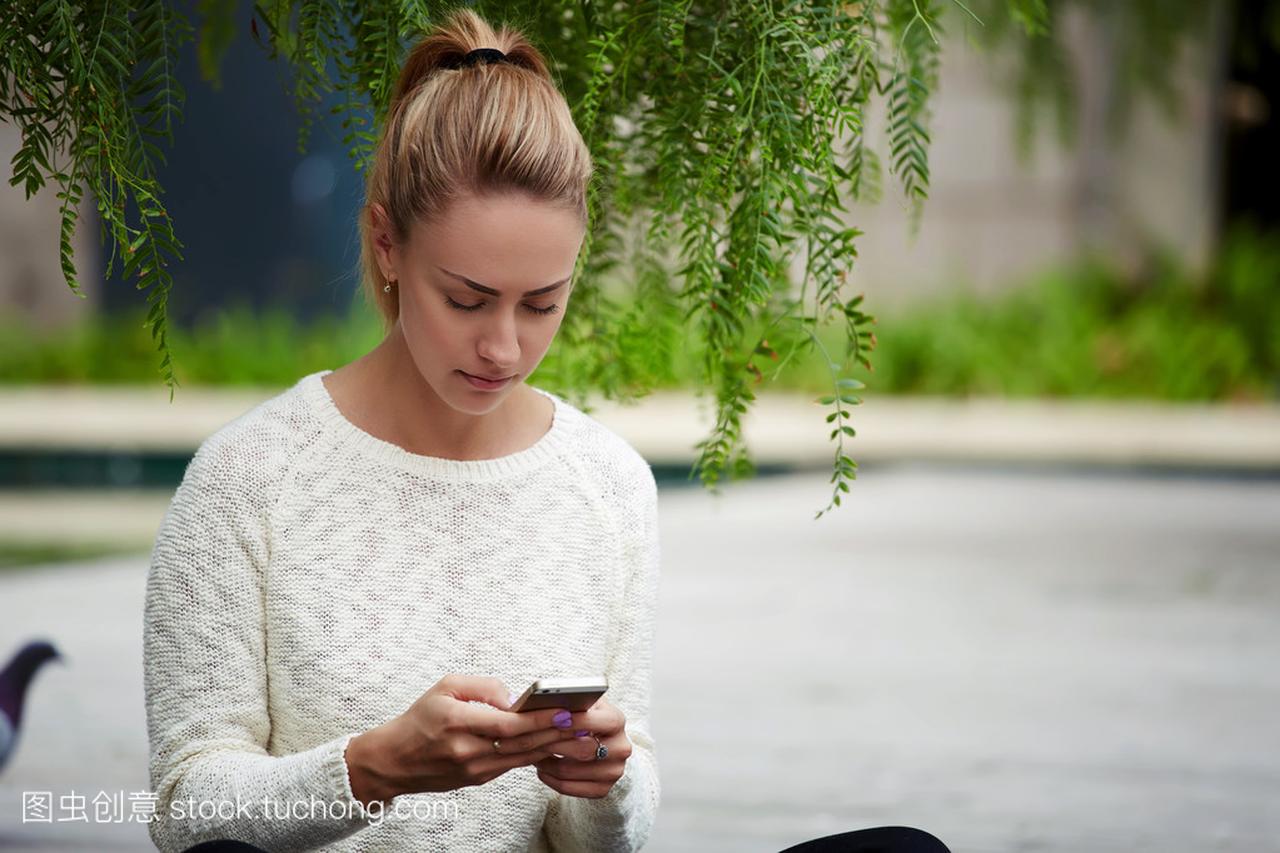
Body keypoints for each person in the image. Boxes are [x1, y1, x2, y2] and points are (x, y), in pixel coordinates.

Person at [143, 9, 659, 852]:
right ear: (386, 244)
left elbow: (608, 839)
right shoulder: (249, 479)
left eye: (542, 304)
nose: (503, 346)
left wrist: (608, 781)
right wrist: (373, 768)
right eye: (465, 298)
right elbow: (185, 813)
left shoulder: (609, 484)